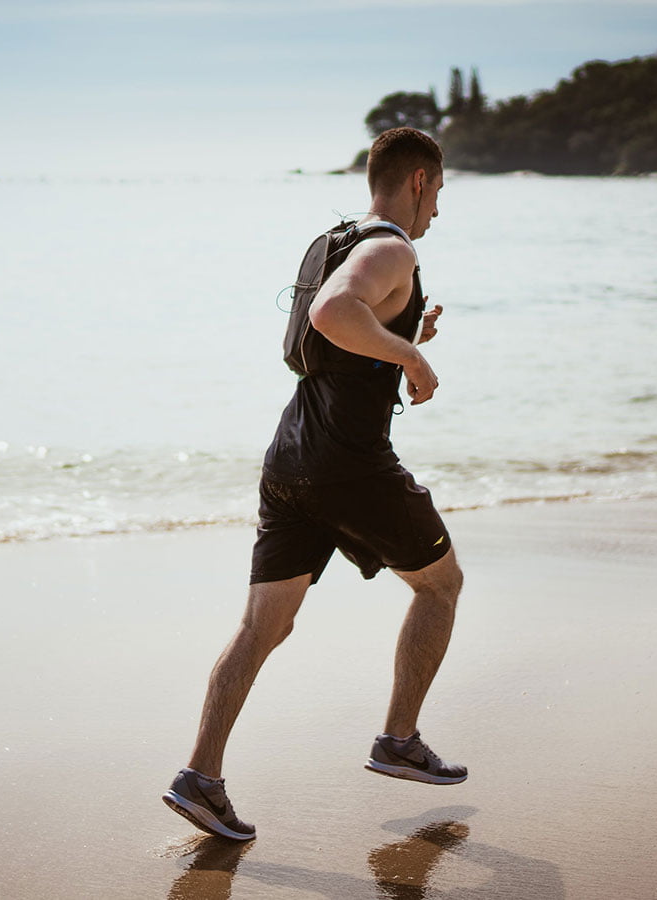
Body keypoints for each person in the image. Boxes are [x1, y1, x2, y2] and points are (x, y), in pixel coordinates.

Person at [162, 127, 467, 842]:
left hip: (290, 458)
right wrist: (412, 363)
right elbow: (334, 316)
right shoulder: (393, 247)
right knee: (441, 585)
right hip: (349, 465)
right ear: (418, 181)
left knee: (263, 627)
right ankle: (398, 739)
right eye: (440, 194)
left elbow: (319, 344)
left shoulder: (334, 239)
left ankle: (199, 777)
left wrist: (398, 338)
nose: (438, 214)